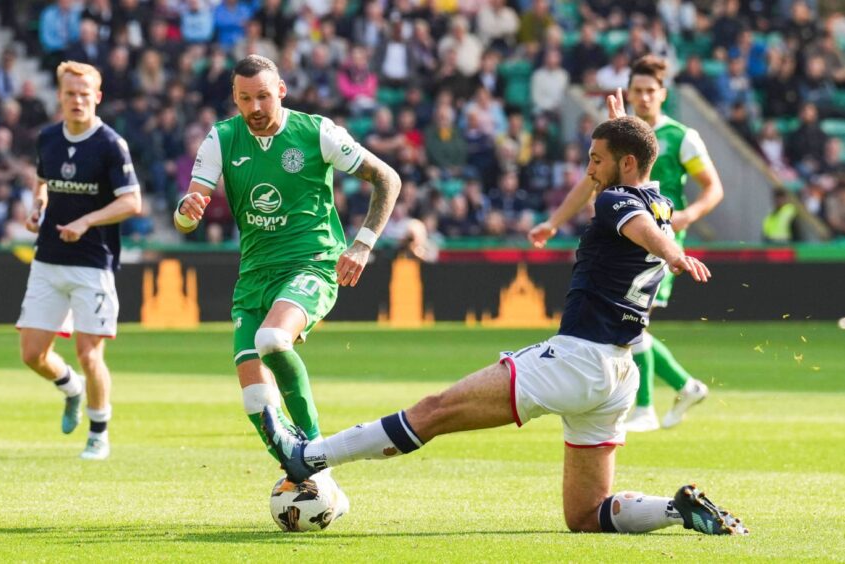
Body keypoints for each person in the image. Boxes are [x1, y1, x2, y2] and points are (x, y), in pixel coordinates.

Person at [263, 113, 747, 537]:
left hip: (577, 360)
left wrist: (675, 255)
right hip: (618, 374)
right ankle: (677, 509)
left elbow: (634, 223)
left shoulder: (614, 203)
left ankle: (308, 456)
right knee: (583, 515)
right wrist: (620, 127)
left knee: (434, 411)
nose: (588, 170)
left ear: (624, 164)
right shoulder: (659, 200)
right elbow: (641, 199)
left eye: (597, 159)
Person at [174, 55, 400, 503]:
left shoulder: (316, 133)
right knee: (255, 399)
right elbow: (187, 217)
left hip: (312, 263)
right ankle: (303, 474)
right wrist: (187, 211)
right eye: (244, 98)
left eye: (262, 95)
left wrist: (362, 244)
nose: (254, 106)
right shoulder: (221, 138)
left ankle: (319, 458)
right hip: (254, 276)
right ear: (235, 99)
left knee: (273, 340)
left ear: (281, 90)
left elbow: (386, 178)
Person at [541, 55, 724, 432]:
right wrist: (554, 222)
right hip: (624, 231)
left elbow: (713, 188)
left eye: (649, 91)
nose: (643, 97)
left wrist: (687, 218)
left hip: (657, 238)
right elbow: (591, 180)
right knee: (632, 323)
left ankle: (644, 407)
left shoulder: (680, 137)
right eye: (636, 90)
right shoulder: (624, 137)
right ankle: (682, 386)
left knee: (633, 321)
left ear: (663, 94)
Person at [16, 61, 142, 461]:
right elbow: (43, 181)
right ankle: (70, 387)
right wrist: (38, 207)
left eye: (85, 94)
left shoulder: (110, 144)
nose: (77, 100)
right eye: (70, 93)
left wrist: (87, 221)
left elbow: (132, 201)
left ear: (97, 97)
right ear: (60, 96)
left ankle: (98, 432)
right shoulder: (48, 138)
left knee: (90, 353)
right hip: (48, 260)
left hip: (92, 263)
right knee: (32, 355)